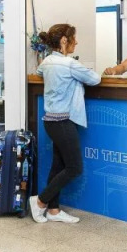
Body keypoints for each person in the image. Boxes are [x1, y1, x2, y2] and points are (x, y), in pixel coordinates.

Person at [31, 23, 100, 224]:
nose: (76, 42)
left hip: (52, 122)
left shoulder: (46, 62)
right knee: (74, 167)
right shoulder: (69, 64)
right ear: (64, 40)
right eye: (73, 38)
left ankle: (53, 211)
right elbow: (95, 79)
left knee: (58, 165)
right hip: (63, 122)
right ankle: (40, 201)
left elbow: (39, 73)